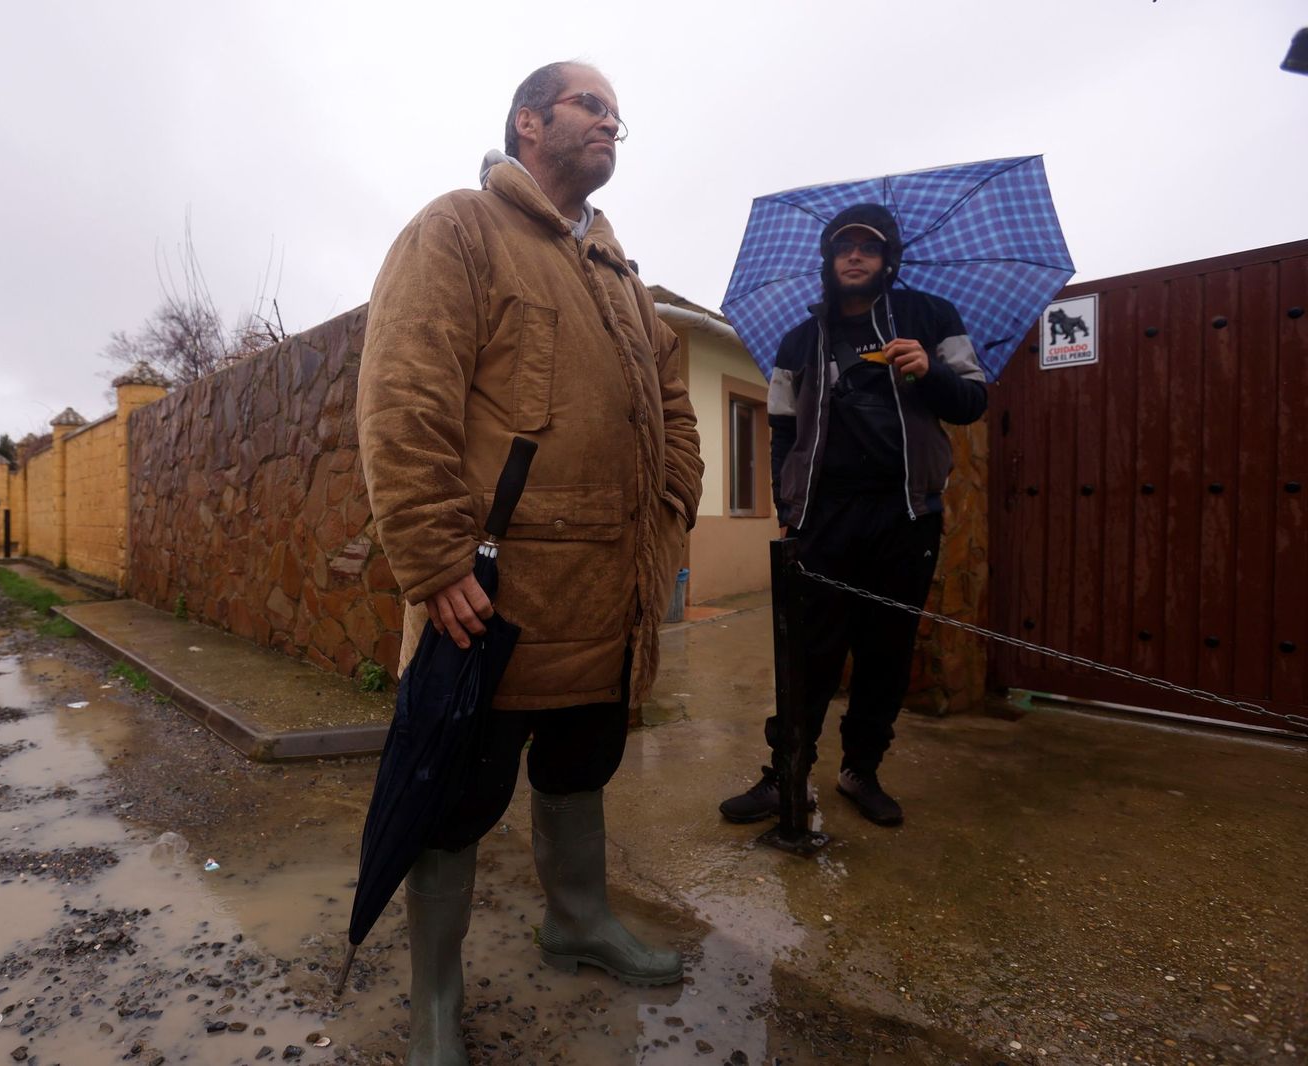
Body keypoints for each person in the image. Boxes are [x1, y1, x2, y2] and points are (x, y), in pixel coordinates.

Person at [356, 61, 702, 1064]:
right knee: (454, 800)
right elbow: (402, 397)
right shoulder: (461, 229)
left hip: (610, 595)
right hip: (495, 597)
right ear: (528, 121)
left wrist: (671, 505)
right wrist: (432, 557)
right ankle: (435, 1001)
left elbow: (674, 411)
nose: (611, 123)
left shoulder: (623, 278)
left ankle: (578, 919)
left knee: (582, 765)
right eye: (591, 105)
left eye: (618, 114)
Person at [718, 203, 987, 829]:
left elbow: (972, 400)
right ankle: (786, 773)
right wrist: (789, 509)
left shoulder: (930, 318)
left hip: (906, 515)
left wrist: (931, 372)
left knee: (885, 653)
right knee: (808, 653)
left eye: (868, 246)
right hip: (825, 518)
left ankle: (860, 771)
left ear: (889, 257)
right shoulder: (799, 341)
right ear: (829, 259)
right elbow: (781, 431)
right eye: (844, 247)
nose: (856, 256)